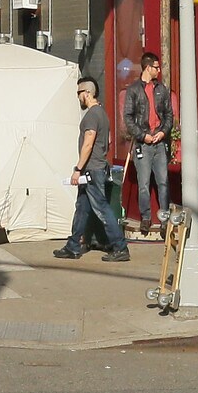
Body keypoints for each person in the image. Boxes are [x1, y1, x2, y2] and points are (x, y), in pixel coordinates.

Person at [55, 77, 130, 262]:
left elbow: (88, 144)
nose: (78, 97)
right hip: (97, 167)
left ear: (87, 93)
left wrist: (78, 169)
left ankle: (120, 247)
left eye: (79, 93)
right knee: (82, 208)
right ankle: (73, 246)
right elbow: (109, 140)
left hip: (91, 170)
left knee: (102, 209)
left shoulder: (91, 115)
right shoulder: (102, 114)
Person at [122, 52, 172, 237]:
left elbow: (169, 115)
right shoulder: (134, 89)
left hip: (159, 141)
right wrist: (143, 135)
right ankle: (146, 217)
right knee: (143, 183)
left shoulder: (161, 89)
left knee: (163, 181)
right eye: (156, 67)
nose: (159, 70)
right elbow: (127, 117)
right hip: (143, 143)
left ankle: (165, 219)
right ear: (147, 67)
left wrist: (162, 132)